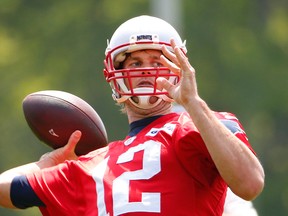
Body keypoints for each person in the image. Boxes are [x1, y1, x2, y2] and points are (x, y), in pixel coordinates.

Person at [0, 15, 264, 215]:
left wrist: (193, 103)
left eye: (157, 62)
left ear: (178, 69)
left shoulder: (198, 127)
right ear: (114, 75)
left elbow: (249, 183)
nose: (146, 71)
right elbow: (5, 189)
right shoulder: (91, 165)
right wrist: (48, 163)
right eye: (136, 63)